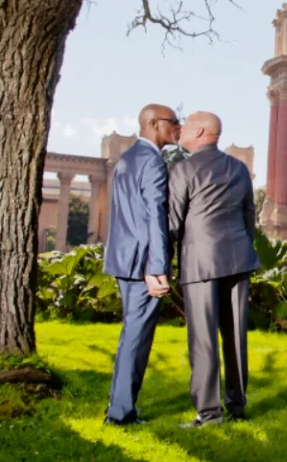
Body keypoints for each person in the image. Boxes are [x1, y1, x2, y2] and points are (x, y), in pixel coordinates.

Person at [168, 111, 261, 428]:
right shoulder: (239, 168)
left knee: (204, 339)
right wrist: (243, 249)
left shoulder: (184, 169)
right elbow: (250, 216)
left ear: (202, 131)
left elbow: (173, 222)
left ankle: (208, 413)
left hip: (200, 262)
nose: (179, 132)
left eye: (186, 128)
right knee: (235, 336)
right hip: (238, 259)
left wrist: (163, 261)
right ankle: (236, 405)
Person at [102, 104, 181, 426]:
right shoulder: (152, 162)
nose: (177, 127)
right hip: (143, 264)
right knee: (136, 337)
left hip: (124, 259)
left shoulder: (128, 159)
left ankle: (119, 407)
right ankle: (120, 414)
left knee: (129, 335)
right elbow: (155, 218)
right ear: (152, 123)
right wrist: (157, 267)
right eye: (172, 122)